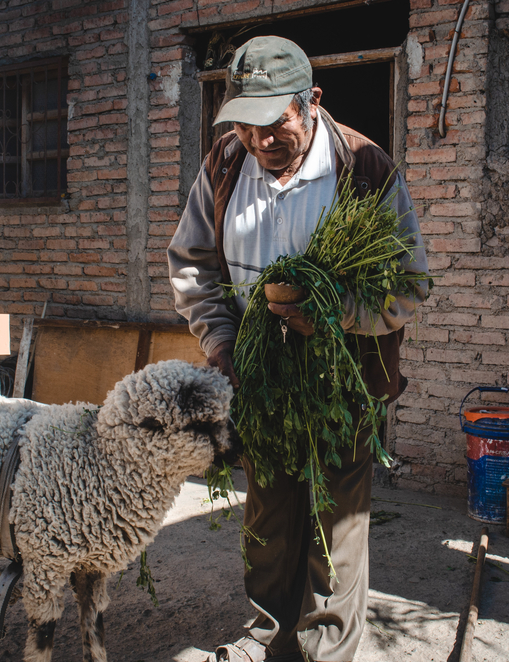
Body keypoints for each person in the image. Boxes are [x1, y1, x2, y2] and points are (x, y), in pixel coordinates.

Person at [167, 36, 429, 662]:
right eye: (245, 124)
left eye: (274, 122)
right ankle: (266, 636)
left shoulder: (363, 168)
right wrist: (222, 342)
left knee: (336, 524)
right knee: (268, 516)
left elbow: (408, 283)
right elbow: (193, 266)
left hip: (342, 381)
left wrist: (336, 313)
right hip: (257, 379)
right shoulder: (225, 164)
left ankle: (325, 650)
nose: (260, 140)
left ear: (311, 101)